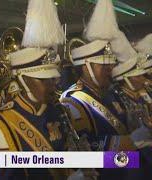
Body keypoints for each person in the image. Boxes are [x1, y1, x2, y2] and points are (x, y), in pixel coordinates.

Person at [0, 0, 88, 179]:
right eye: (44, 80)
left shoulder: (59, 111)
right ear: (24, 80)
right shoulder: (0, 122)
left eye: (53, 78)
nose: (53, 84)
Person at [60, 0, 152, 179]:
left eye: (110, 64)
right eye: (104, 65)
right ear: (87, 67)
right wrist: (133, 148)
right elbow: (85, 150)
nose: (111, 69)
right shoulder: (73, 100)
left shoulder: (109, 95)